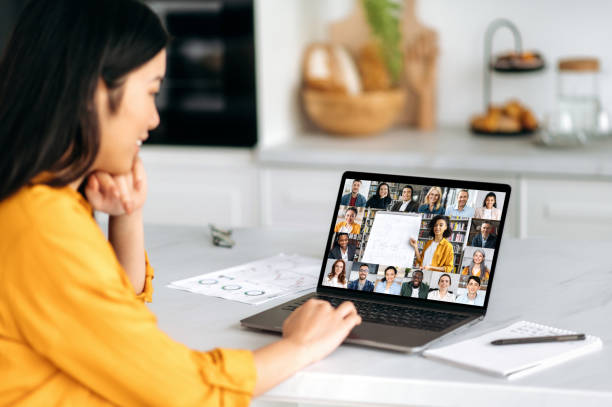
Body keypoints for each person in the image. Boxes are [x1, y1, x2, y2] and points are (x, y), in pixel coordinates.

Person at [0, 1, 362, 405]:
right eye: (151, 91)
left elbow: (110, 315)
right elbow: (183, 392)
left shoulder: (37, 197)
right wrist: (301, 346)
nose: (154, 119)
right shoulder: (40, 225)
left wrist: (126, 216)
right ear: (95, 88)